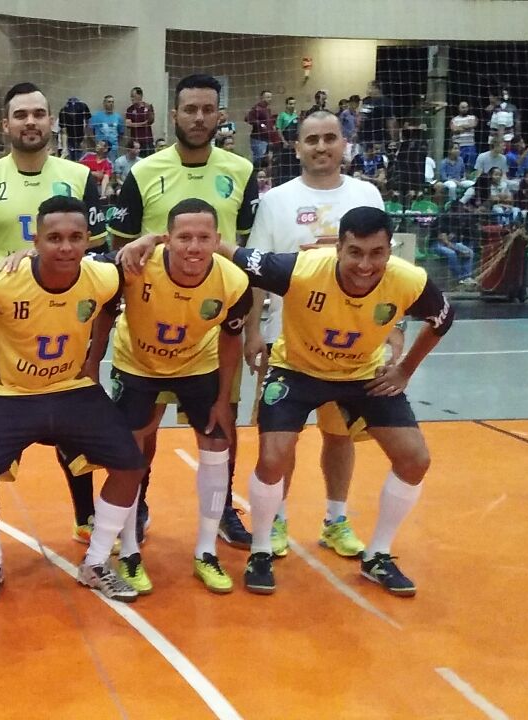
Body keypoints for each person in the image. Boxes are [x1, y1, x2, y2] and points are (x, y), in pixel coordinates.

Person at [130, 206, 454, 596]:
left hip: (361, 374)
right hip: (296, 371)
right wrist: (153, 240)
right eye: (355, 252)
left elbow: (442, 320)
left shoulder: (410, 280)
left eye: (377, 253)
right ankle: (261, 551)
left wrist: (404, 371)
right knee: (273, 458)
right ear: (339, 248)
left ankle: (378, 556)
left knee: (415, 458)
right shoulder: (299, 269)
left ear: (390, 250)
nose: (365, 265)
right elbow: (230, 252)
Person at [0, 195, 146, 603]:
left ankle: (96, 563)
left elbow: (113, 298)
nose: (65, 247)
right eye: (54, 238)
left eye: (76, 238)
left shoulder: (102, 276)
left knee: (131, 465)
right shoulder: (2, 279)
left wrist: (93, 359)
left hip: (70, 388)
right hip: (10, 392)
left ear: (87, 240)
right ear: (36, 241)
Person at [0, 82, 108, 549]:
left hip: (65, 322)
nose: (31, 122)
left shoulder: (79, 178)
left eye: (38, 113)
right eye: (21, 115)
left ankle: (85, 516)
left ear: (51, 121)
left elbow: (99, 258)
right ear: (6, 124)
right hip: (3, 327)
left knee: (73, 420)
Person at [109, 74, 259, 550]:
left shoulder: (241, 170)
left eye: (207, 109)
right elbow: (120, 248)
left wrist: (252, 325)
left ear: (220, 115)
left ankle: (223, 509)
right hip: (150, 327)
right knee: (144, 425)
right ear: (173, 115)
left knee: (221, 420)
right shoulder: (144, 171)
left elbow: (245, 250)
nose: (198, 117)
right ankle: (138, 505)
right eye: (190, 109)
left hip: (212, 325)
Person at [243, 110, 399, 560]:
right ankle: (275, 519)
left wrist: (392, 328)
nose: (321, 147)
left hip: (355, 344)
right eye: (311, 140)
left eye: (330, 137)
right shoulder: (277, 201)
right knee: (280, 439)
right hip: (289, 341)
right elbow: (255, 271)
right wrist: (253, 331)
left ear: (344, 143)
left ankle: (335, 519)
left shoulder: (366, 194)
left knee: (340, 435)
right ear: (297, 148)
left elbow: (385, 268)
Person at [246, 91, 278, 168]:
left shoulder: (267, 109)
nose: (270, 99)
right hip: (258, 139)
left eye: (270, 97)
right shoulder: (257, 108)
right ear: (262, 98)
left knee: (265, 161)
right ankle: (256, 174)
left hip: (266, 139)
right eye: (267, 97)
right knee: (259, 160)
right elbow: (248, 118)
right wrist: (261, 125)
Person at [125, 87, 155, 152]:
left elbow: (151, 121)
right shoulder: (130, 109)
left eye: (133, 96)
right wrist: (143, 124)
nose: (132, 99)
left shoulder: (148, 107)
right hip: (135, 142)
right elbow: (128, 125)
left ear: (140, 96)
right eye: (131, 96)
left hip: (147, 140)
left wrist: (150, 110)